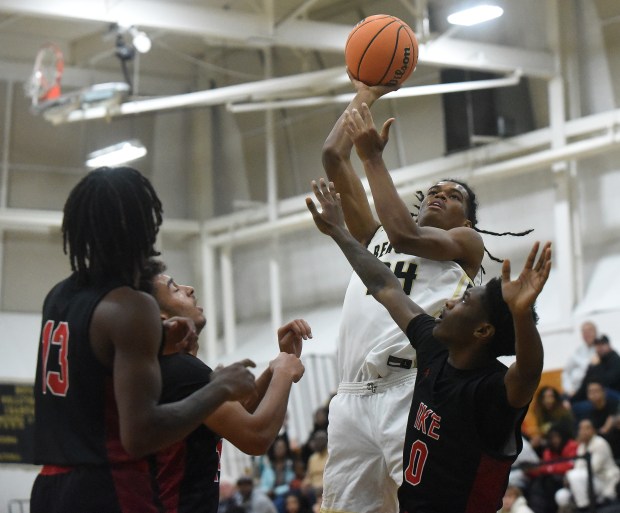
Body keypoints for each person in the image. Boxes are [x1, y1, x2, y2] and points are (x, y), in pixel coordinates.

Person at [306, 178, 552, 513]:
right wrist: (338, 231)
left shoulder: (490, 386)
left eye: (464, 301)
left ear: (482, 330)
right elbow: (385, 285)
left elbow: (528, 373)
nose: (449, 304)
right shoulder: (432, 347)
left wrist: (522, 316)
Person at [30, 167, 257, 513]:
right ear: (144, 226)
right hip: (108, 488)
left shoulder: (59, 296)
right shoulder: (131, 308)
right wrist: (219, 388)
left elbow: (91, 368)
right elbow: (141, 435)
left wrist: (159, 336)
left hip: (49, 488)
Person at [319, 76, 485, 513]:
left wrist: (372, 157)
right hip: (350, 397)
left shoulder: (465, 246)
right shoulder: (374, 238)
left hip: (412, 388)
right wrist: (368, 93)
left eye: (453, 197)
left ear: (466, 222)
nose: (439, 196)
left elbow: (405, 234)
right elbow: (332, 156)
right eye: (434, 191)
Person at [150, 272, 311, 513]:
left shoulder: (166, 368)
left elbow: (237, 415)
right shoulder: (183, 371)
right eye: (175, 289)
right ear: (164, 318)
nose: (190, 288)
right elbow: (256, 437)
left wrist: (275, 365)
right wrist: (284, 373)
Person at [554, 419, 620, 510]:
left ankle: (584, 508)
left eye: (587, 428)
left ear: (593, 430)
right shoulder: (582, 446)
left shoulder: (600, 443)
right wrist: (568, 478)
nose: (583, 432)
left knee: (574, 475)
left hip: (604, 482)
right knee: (561, 495)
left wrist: (570, 476)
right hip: (587, 482)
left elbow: (592, 468)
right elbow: (577, 467)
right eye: (581, 429)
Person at [526, 425, 578, 513]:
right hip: (551, 480)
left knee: (550, 481)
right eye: (552, 438)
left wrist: (549, 468)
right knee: (537, 483)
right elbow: (545, 467)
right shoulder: (548, 450)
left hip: (568, 480)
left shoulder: (571, 445)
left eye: (557, 437)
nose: (555, 440)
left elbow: (569, 466)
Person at [571, 335, 620, 403]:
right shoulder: (595, 361)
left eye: (602, 344)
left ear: (609, 346)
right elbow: (585, 384)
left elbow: (607, 382)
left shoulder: (615, 360)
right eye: (597, 345)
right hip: (597, 396)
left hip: (614, 396)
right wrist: (572, 400)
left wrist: (597, 366)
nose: (600, 347)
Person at [530, 386, 575, 454]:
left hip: (565, 444)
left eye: (551, 396)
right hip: (549, 445)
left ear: (556, 398)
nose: (548, 400)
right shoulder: (540, 415)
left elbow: (569, 432)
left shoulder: (563, 413)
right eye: (545, 397)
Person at [562, 321, 598, 401]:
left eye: (589, 331)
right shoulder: (577, 351)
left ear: (596, 332)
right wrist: (569, 389)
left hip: (593, 392)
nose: (587, 334)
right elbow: (566, 372)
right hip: (575, 390)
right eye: (584, 331)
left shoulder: (601, 350)